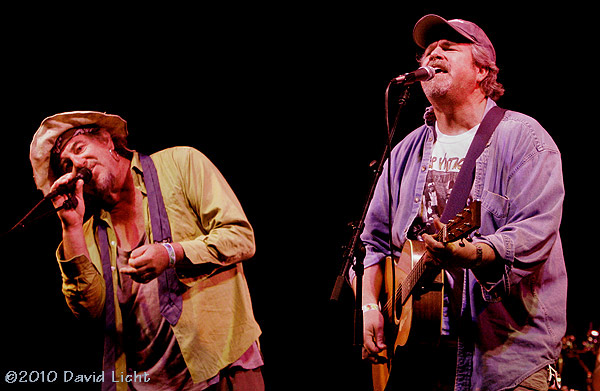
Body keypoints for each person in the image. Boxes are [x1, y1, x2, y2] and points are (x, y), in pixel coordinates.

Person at [354, 15, 567, 391]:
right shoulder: (404, 152)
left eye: (448, 47)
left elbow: (534, 232)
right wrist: (371, 306)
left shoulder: (524, 139)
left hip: (503, 359)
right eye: (427, 50)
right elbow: (372, 243)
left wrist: (470, 255)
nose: (433, 52)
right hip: (418, 358)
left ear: (483, 69)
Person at [29, 111, 264, 391]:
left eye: (80, 149)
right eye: (67, 164)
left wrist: (171, 254)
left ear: (107, 140)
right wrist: (71, 228)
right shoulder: (85, 232)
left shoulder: (182, 163)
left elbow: (240, 237)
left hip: (220, 366)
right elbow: (89, 312)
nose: (77, 164)